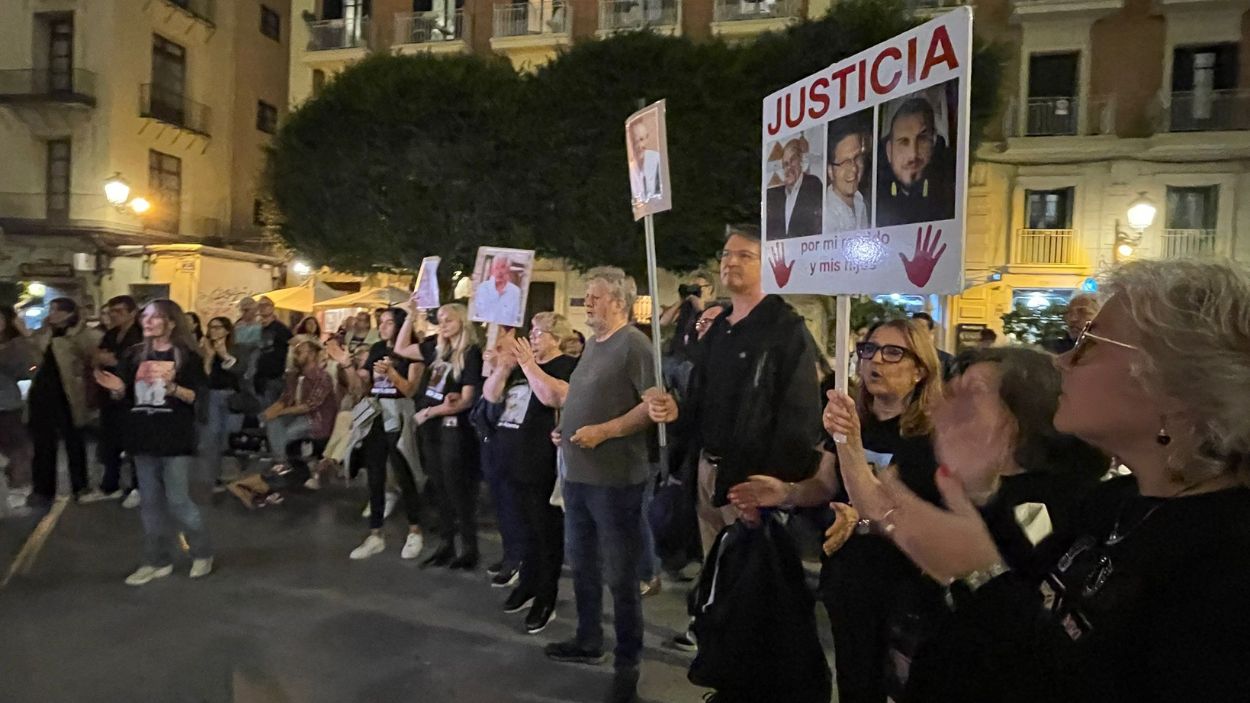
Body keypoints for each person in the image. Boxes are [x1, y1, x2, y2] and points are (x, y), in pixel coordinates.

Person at [840, 259, 1250, 702]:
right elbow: (1028, 597)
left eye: (1090, 344)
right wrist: (980, 495)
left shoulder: (1227, 560)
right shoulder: (1116, 501)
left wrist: (975, 572)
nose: (1062, 358)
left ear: (1173, 385)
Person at [809, 347, 1107, 698]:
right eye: (955, 387)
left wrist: (978, 569)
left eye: (975, 390)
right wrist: (849, 441)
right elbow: (881, 506)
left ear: (1023, 412)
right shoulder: (939, 465)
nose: (949, 401)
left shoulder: (1066, 501)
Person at [727, 318, 942, 703]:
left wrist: (853, 458)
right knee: (855, 682)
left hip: (903, 585)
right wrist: (787, 492)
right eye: (868, 350)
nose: (876, 361)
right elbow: (826, 485)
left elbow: (891, 511)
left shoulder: (933, 436)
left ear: (920, 370)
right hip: (849, 579)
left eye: (893, 353)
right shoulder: (851, 420)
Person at [648, 225, 822, 555]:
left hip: (750, 481)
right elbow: (702, 396)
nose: (731, 262)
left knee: (749, 576)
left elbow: (799, 418)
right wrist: (676, 410)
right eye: (727, 254)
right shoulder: (719, 328)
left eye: (745, 255)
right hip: (706, 472)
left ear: (769, 265)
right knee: (715, 568)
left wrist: (771, 486)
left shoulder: (785, 329)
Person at [544, 266, 658, 703]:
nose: (587, 302)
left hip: (615, 482)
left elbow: (651, 408)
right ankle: (588, 638)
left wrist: (604, 431)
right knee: (584, 565)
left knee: (621, 574)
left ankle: (628, 660)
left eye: (594, 296)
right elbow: (580, 398)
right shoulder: (594, 345)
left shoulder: (635, 345)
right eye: (587, 296)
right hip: (578, 476)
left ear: (619, 301)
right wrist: (568, 428)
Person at [93, 299, 213, 586]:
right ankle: (156, 560)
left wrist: (172, 387)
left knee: (178, 500)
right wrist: (117, 389)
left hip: (175, 436)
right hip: (141, 436)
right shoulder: (134, 355)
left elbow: (197, 398)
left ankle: (201, 552)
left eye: (155, 317)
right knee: (150, 503)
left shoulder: (186, 356)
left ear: (171, 323)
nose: (147, 322)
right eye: (145, 317)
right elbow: (123, 394)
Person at [482, 312, 578, 634]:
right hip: (510, 457)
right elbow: (491, 395)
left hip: (540, 462)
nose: (533, 337)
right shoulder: (522, 367)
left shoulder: (565, 365)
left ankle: (546, 597)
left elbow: (554, 396)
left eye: (540, 333)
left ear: (557, 337)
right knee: (522, 529)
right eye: (533, 331)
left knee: (545, 533)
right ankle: (527, 584)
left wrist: (528, 365)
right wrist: (505, 366)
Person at [348, 307, 427, 561]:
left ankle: (415, 530)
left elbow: (411, 390)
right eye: (380, 322)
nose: (382, 327)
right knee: (374, 473)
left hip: (399, 412)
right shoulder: (377, 348)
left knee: (404, 472)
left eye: (389, 322)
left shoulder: (414, 352)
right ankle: (375, 534)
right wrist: (350, 367)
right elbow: (364, 387)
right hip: (376, 413)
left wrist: (392, 373)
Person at [414, 303, 485, 569]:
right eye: (440, 320)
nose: (443, 325)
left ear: (463, 323)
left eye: (449, 320)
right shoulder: (438, 351)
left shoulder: (469, 353)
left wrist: (431, 412)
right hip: (432, 427)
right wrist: (412, 313)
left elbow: (466, 399)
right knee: (439, 486)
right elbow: (401, 348)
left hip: (454, 429)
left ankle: (469, 548)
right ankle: (446, 543)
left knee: (458, 490)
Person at [27, 298, 102, 508]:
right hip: (43, 395)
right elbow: (34, 352)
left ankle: (80, 486)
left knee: (74, 442)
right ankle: (42, 489)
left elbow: (93, 359)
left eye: (55, 310)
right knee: (43, 445)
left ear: (68, 314)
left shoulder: (81, 335)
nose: (51, 314)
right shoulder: (45, 333)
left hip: (69, 396)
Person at [81, 295, 145, 503]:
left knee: (135, 442)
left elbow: (139, 364)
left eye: (119, 311)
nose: (114, 316)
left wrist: (114, 361)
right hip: (109, 395)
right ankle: (110, 485)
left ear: (132, 313)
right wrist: (102, 360)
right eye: (111, 312)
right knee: (110, 441)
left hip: (134, 396)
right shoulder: (111, 334)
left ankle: (138, 487)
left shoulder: (142, 335)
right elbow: (97, 357)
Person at [262, 340, 337, 476]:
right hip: (294, 414)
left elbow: (309, 405)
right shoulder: (294, 376)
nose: (296, 356)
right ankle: (282, 462)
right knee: (272, 423)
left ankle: (282, 463)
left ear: (312, 354)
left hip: (316, 419)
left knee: (284, 434)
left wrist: (279, 412)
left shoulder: (323, 378)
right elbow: (285, 398)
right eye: (296, 352)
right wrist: (270, 412)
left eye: (300, 352)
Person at [876, 97, 955, 227]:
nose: (913, 155)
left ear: (933, 142)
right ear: (889, 151)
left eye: (922, 139)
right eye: (903, 142)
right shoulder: (870, 200)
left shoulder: (951, 192)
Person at [197, 317, 249, 488]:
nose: (213, 331)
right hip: (212, 395)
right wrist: (209, 358)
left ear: (227, 330)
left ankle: (234, 472)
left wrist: (224, 354)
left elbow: (239, 371)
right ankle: (215, 476)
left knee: (230, 434)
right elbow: (204, 377)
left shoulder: (238, 349)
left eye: (218, 328)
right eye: (211, 327)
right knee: (213, 436)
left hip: (232, 395)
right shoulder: (204, 349)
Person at [0, 306, 36, 502]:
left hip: (7, 404)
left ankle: (18, 487)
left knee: (16, 449)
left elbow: (27, 369)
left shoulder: (15, 345)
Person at [766, 137, 824, 239]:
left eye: (792, 161)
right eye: (785, 164)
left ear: (800, 162)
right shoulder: (776, 196)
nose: (789, 168)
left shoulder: (813, 185)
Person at [824, 120, 870, 234]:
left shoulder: (860, 201)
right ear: (830, 171)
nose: (854, 169)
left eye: (857, 158)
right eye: (845, 162)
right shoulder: (826, 215)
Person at [657, 270, 714, 361]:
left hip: (694, 359)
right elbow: (663, 322)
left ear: (709, 288)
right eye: (692, 287)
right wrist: (680, 301)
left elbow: (706, 328)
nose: (694, 290)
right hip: (676, 355)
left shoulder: (714, 308)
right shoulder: (687, 306)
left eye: (697, 287)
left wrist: (700, 309)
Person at [252, 296, 292, 407]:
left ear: (272, 308)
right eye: (260, 305)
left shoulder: (281, 329)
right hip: (259, 378)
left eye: (266, 305)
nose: (263, 308)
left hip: (275, 377)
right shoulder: (256, 329)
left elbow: (291, 349)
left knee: (270, 413)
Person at [473, 255, 524, 327]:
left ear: (508, 269)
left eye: (503, 267)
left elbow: (516, 317)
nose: (499, 272)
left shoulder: (515, 291)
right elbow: (477, 313)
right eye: (496, 268)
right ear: (492, 270)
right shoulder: (482, 288)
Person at [628, 119, 662, 203]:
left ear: (647, 138)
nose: (640, 146)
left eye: (642, 139)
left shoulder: (658, 161)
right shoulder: (630, 170)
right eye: (635, 142)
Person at [911, 312, 953, 377]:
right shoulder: (906, 357)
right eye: (913, 328)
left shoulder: (947, 360)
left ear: (931, 332)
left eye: (921, 327)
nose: (917, 331)